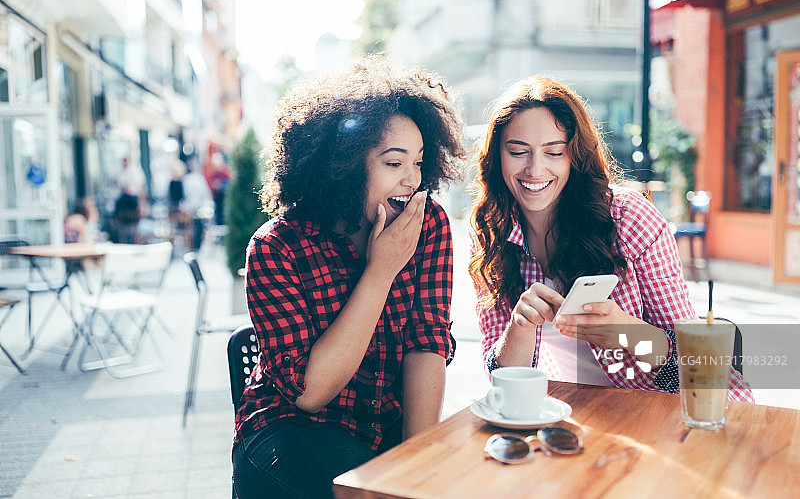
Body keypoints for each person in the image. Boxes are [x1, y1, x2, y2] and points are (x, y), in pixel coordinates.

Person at [232, 56, 465, 499]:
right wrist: (381, 271)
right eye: (394, 163)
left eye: (418, 163)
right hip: (290, 433)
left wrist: (419, 464)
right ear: (343, 164)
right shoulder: (277, 247)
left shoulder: (426, 223)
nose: (412, 180)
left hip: (383, 430)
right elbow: (310, 393)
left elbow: (427, 342)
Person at [468, 75, 752, 402]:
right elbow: (501, 381)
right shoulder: (491, 232)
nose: (535, 169)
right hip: (577, 415)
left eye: (554, 152)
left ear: (574, 156)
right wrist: (518, 326)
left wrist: (626, 333)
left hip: (673, 409)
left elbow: (696, 363)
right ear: (497, 156)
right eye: (518, 151)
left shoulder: (628, 218)